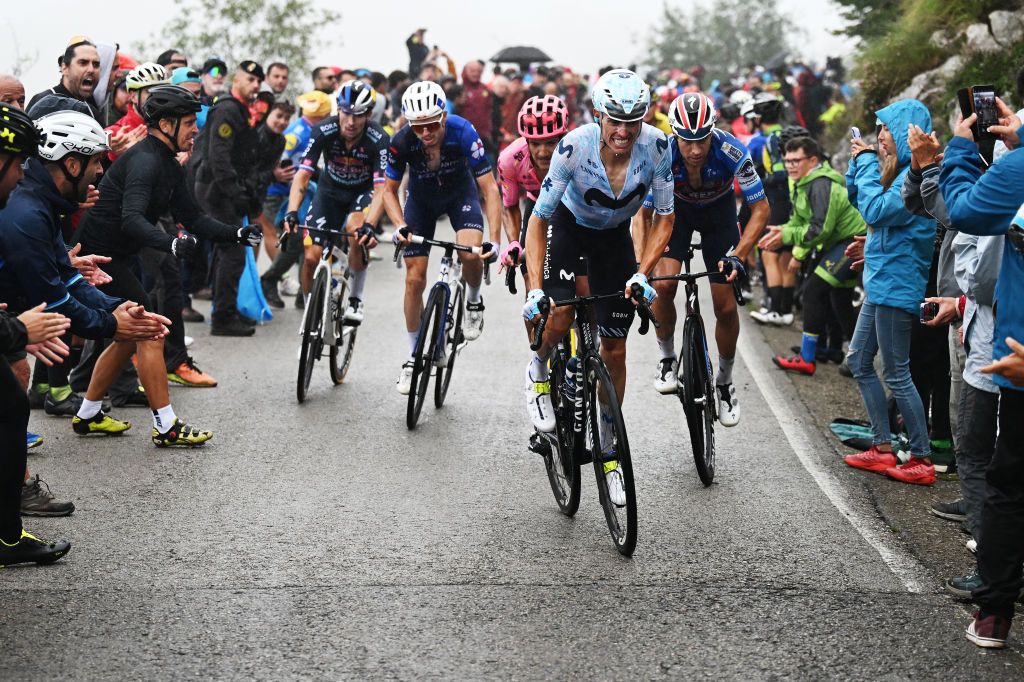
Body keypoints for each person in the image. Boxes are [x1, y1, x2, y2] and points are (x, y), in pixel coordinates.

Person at [521, 69, 674, 505]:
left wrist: (642, 272)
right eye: (615, 120)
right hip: (568, 229)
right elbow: (539, 220)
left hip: (614, 240)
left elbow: (665, 217)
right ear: (598, 115)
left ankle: (608, 453)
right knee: (562, 312)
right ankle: (537, 371)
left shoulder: (658, 148)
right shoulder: (573, 147)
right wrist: (535, 288)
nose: (624, 131)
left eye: (634, 121)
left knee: (616, 349)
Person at [938, 97, 1024, 649]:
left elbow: (963, 211)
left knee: (1008, 484)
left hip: (1015, 356)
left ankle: (994, 613)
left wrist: (962, 150)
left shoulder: (1017, 168)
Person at [633, 92, 766, 426]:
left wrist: (739, 255)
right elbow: (643, 215)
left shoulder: (732, 149)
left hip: (719, 218)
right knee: (662, 287)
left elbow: (762, 209)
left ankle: (724, 381)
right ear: (674, 133)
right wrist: (641, 268)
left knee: (723, 305)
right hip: (674, 215)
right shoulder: (661, 153)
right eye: (687, 141)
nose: (694, 150)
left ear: (713, 131)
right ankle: (666, 358)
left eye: (701, 141)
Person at [843, 99, 936, 486]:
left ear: (903, 131)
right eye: (876, 129)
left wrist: (864, 163)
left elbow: (877, 212)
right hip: (881, 282)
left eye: (884, 129)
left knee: (897, 373)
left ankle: (922, 457)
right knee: (860, 361)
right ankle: (882, 446)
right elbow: (860, 200)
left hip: (898, 286)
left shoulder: (909, 180)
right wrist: (857, 165)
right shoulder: (895, 172)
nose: (879, 135)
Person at [387, 81, 501, 393]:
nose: (425, 134)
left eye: (432, 126)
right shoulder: (401, 141)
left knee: (471, 253)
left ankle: (474, 302)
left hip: (460, 196)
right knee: (414, 279)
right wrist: (399, 225)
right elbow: (388, 190)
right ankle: (413, 356)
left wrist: (495, 240)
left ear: (443, 117)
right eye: (418, 128)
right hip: (420, 203)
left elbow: (490, 189)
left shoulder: (463, 132)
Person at [283, 81, 401, 322]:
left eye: (358, 115)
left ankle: (356, 299)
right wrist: (292, 211)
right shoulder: (323, 130)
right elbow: (303, 175)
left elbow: (382, 189)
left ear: (368, 114)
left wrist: (371, 224)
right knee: (310, 256)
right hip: (329, 192)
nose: (350, 121)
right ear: (338, 109)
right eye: (345, 112)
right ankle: (309, 309)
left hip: (363, 192)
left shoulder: (378, 138)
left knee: (356, 231)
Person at [762, 136, 866, 375]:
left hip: (853, 240)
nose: (790, 166)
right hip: (839, 240)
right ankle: (860, 357)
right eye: (787, 161)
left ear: (813, 160)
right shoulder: (803, 181)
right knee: (840, 300)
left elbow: (819, 229)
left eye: (796, 160)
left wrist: (788, 237)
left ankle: (808, 358)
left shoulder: (819, 184)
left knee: (812, 291)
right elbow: (800, 221)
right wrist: (785, 231)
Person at [189, 60, 265, 337]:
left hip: (223, 190)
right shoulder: (227, 110)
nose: (256, 86)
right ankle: (222, 317)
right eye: (251, 80)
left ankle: (225, 311)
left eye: (259, 81)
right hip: (216, 190)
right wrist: (236, 193)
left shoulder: (240, 111)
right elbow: (218, 157)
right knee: (232, 252)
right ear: (238, 80)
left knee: (227, 252)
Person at [259, 91, 331, 308]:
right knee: (294, 240)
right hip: (277, 193)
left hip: (298, 193)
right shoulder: (298, 132)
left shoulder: (313, 130)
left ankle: (304, 289)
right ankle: (270, 279)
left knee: (304, 238)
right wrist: (285, 175)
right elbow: (281, 158)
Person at [106, 62, 170, 162]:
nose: (158, 96)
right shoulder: (115, 133)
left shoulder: (171, 128)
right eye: (150, 91)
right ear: (133, 96)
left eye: (162, 91)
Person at [28, 39, 103, 121]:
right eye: (83, 63)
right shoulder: (42, 102)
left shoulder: (92, 112)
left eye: (96, 64)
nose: (91, 70)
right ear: (64, 68)